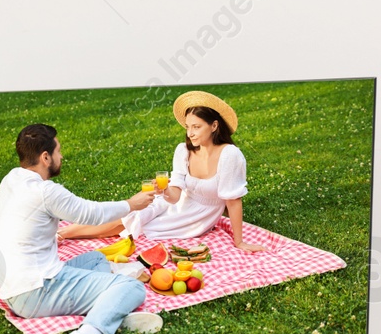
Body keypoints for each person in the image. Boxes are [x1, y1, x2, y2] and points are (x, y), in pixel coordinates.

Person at [0, 123, 161, 334]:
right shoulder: (46, 192)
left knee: (95, 259)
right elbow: (91, 213)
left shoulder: (11, 179)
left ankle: (111, 307)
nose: (61, 156)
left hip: (18, 284)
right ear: (45, 157)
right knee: (132, 287)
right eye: (58, 151)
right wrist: (132, 204)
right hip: (35, 292)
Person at [60, 91, 269, 252]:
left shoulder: (230, 155)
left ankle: (62, 234)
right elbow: (175, 195)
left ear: (214, 126)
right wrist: (164, 191)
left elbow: (233, 200)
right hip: (175, 204)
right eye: (188, 127)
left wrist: (239, 241)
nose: (190, 133)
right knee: (128, 216)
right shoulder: (183, 150)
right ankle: (61, 234)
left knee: (125, 226)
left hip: (195, 217)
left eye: (196, 127)